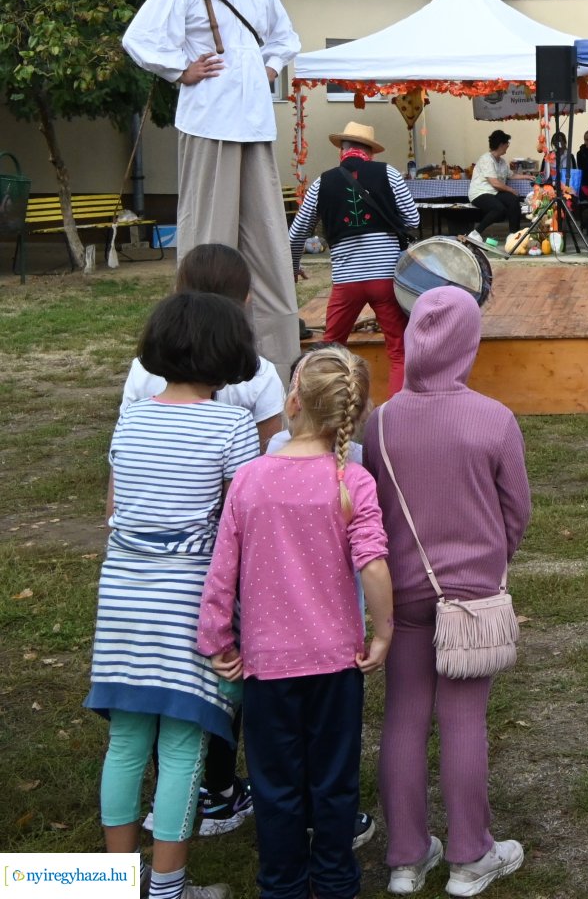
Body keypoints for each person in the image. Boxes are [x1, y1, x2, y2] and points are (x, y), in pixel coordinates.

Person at [196, 345, 394, 899]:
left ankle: (281, 884)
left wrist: (217, 638)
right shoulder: (352, 481)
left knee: (275, 782)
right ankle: (334, 880)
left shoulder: (251, 480)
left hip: (267, 669)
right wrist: (383, 631)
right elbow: (373, 564)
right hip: (336, 666)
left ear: (292, 402)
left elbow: (222, 570)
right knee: (335, 781)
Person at [89, 291, 261, 899]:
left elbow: (114, 508)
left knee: (127, 739)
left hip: (123, 593)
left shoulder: (132, 416)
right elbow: (245, 524)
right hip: (190, 602)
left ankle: (115, 884)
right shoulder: (234, 423)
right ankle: (167, 888)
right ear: (230, 352)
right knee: (184, 741)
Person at [367, 287, 532, 897]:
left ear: (411, 341)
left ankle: (406, 858)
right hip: (473, 596)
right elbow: (518, 511)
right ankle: (470, 855)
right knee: (465, 720)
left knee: (404, 719)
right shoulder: (495, 419)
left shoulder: (379, 421)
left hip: (403, 593)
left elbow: (374, 508)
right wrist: (494, 556)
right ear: (469, 342)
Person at [121, 0, 301, 381]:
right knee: (206, 243)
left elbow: (287, 40)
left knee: (267, 243)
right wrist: (181, 71)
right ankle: (195, 358)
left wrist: (268, 67)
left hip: (255, 131)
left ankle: (276, 364)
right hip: (208, 128)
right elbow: (139, 39)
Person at [288, 120, 419, 393]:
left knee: (330, 349)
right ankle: (398, 415)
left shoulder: (322, 182)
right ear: (369, 152)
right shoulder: (389, 173)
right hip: (386, 278)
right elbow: (413, 218)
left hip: (347, 281)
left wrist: (294, 266)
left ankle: (323, 406)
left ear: (342, 151)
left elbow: (298, 231)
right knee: (399, 350)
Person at [122, 242, 285, 457]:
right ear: (246, 297)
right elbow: (269, 458)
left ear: (177, 293)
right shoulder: (259, 374)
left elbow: (126, 446)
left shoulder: (144, 367)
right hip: (239, 487)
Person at [466, 130, 522, 243]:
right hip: (480, 193)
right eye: (507, 144)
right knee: (499, 209)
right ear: (501, 145)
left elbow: (511, 175)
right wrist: (511, 190)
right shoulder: (486, 159)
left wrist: (527, 177)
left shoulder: (501, 162)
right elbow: (495, 183)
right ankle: (475, 233)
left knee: (513, 201)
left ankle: (513, 235)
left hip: (494, 193)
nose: (508, 146)